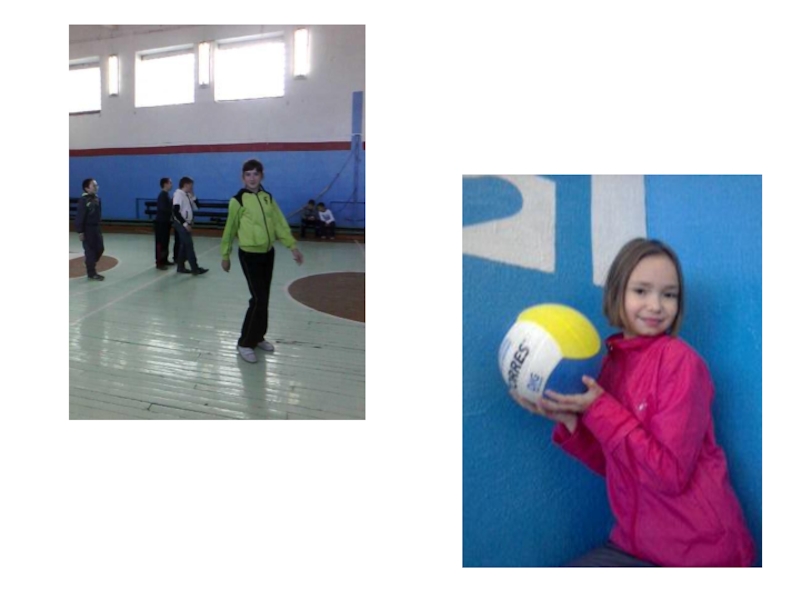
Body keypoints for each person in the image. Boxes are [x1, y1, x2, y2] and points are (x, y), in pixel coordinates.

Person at [510, 238, 755, 567]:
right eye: (641, 291)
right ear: (617, 293)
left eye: (669, 295)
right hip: (637, 545)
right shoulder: (608, 367)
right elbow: (620, 465)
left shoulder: (681, 363)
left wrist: (597, 408)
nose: (656, 305)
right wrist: (572, 422)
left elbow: (668, 474)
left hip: (702, 553)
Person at [220, 158, 304, 363]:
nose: (252, 178)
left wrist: (292, 246)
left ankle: (258, 336)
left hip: (268, 253)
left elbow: (279, 223)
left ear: (261, 176)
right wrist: (225, 254)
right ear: (242, 177)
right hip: (249, 255)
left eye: (255, 174)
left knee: (263, 298)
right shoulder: (237, 201)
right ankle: (244, 343)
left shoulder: (268, 198)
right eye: (248, 174)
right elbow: (230, 229)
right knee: (258, 299)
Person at [172, 176, 208, 275]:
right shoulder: (178, 195)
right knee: (189, 245)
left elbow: (197, 206)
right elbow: (175, 211)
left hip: (186, 222)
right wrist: (184, 224)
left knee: (184, 245)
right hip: (181, 223)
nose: (192, 187)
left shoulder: (187, 195)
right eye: (191, 185)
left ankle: (180, 267)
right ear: (186, 184)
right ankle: (195, 268)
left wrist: (193, 196)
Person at [75, 178, 105, 281]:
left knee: (100, 248)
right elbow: (80, 216)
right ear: (87, 188)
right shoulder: (84, 200)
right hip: (88, 229)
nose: (96, 187)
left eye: (97, 185)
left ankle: (89, 262)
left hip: (96, 228)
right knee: (90, 251)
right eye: (93, 185)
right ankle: (91, 273)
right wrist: (80, 231)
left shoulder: (97, 199)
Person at [154, 177, 174, 270]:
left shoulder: (166, 195)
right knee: (160, 243)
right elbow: (163, 208)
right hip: (161, 223)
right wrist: (172, 210)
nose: (171, 185)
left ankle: (165, 259)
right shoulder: (162, 195)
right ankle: (159, 262)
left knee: (166, 242)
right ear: (165, 184)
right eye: (170, 183)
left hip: (166, 222)